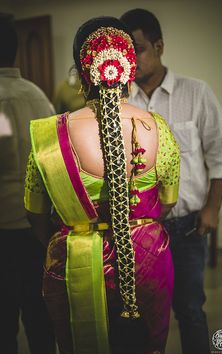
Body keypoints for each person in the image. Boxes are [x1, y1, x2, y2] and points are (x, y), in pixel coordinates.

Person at [24, 16, 180, 354]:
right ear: (128, 68)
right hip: (147, 258)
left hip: (74, 261)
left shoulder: (49, 135)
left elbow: (35, 214)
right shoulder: (159, 128)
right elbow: (167, 202)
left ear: (82, 72)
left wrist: (73, 232)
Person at [120, 8, 222, 354]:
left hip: (185, 229)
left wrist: (212, 209)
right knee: (140, 316)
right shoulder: (120, 103)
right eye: (126, 52)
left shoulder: (196, 93)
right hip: (138, 231)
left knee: (189, 311)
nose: (131, 59)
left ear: (159, 46)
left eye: (138, 49)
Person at [0, 13, 56, 354]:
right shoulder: (40, 97)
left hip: (3, 231)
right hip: (38, 229)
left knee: (4, 326)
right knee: (40, 323)